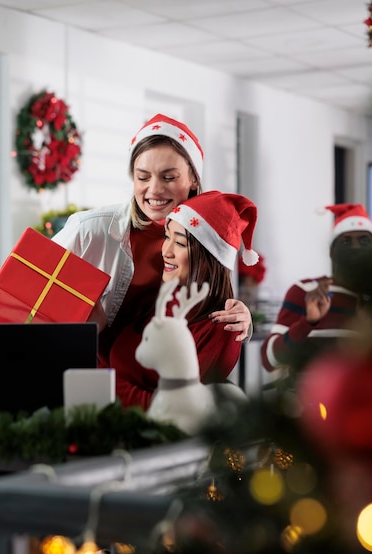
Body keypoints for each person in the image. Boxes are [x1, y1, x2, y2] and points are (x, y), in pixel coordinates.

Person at [52, 113, 253, 367]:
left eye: (169, 177)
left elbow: (213, 307)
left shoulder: (209, 239)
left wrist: (242, 317)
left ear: (193, 179)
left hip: (156, 386)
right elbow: (26, 300)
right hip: (89, 376)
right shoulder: (88, 229)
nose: (155, 189)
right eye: (143, 177)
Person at [106, 190, 259, 411]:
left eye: (179, 243)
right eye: (167, 237)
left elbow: (179, 409)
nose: (165, 251)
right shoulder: (161, 295)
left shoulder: (223, 327)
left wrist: (109, 389)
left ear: (209, 257)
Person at [260, 202, 372, 379]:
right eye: (346, 241)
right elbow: (269, 359)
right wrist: (308, 322)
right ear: (332, 252)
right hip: (309, 403)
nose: (356, 247)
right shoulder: (305, 291)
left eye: (364, 241)